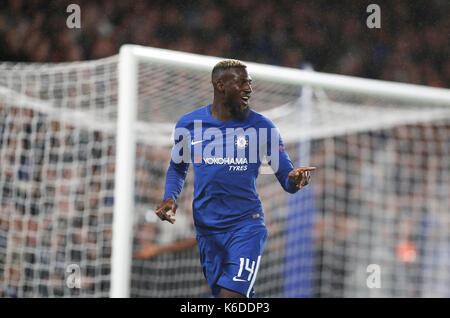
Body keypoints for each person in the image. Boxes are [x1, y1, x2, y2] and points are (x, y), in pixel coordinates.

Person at [155, 59, 316, 298]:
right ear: (220, 85)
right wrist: (169, 197)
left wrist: (295, 180)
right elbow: (178, 168)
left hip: (245, 226)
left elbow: (287, 179)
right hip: (207, 228)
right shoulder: (189, 124)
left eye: (249, 83)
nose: (248, 89)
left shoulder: (263, 127)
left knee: (232, 298)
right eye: (241, 83)